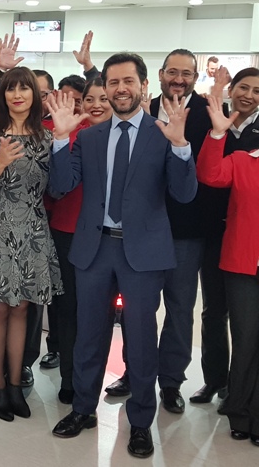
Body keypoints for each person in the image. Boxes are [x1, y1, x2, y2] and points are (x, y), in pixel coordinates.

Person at [48, 52, 197, 459]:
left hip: (144, 254)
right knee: (88, 337)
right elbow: (61, 185)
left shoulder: (164, 133)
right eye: (112, 82)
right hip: (95, 250)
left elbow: (185, 194)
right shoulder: (92, 137)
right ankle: (82, 409)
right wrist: (61, 138)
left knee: (141, 343)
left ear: (143, 85)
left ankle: (141, 422)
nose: (120, 89)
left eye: (127, 81)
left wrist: (182, 145)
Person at [104, 49, 212, 413]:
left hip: (184, 231)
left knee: (180, 309)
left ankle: (170, 382)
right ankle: (134, 374)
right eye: (173, 72)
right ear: (159, 76)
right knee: (136, 311)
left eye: (187, 73)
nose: (179, 79)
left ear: (195, 77)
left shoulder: (210, 115)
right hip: (138, 233)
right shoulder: (139, 108)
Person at [0, 66, 61, 422]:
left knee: (22, 309)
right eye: (10, 88)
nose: (17, 94)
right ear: (3, 95)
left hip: (33, 230)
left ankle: (16, 385)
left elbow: (55, 189)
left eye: (25, 88)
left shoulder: (48, 138)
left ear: (35, 95)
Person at [193, 66, 259, 406]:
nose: (248, 95)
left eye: (256, 91)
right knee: (214, 310)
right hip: (211, 229)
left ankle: (241, 387)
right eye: (243, 87)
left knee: (247, 322)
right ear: (231, 89)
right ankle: (215, 380)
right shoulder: (212, 118)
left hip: (247, 233)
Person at [48, 77, 112, 405]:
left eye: (105, 98)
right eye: (90, 99)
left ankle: (93, 380)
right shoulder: (69, 135)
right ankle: (70, 379)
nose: (97, 105)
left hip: (110, 239)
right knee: (69, 309)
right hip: (68, 232)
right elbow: (57, 187)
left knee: (100, 315)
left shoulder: (125, 138)